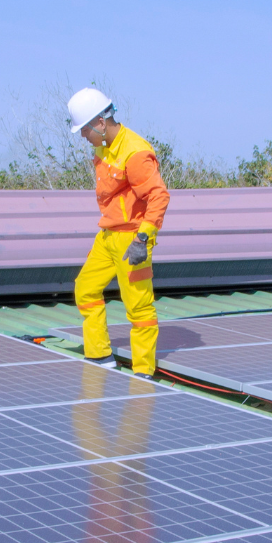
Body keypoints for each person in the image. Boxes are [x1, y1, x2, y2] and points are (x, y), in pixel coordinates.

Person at [67, 88, 169, 378]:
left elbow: (159, 197)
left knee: (139, 307)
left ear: (100, 123)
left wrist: (143, 239)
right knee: (85, 289)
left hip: (132, 239)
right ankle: (100, 356)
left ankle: (143, 372)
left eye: (85, 130)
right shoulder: (103, 148)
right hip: (108, 236)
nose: (84, 137)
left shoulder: (135, 152)